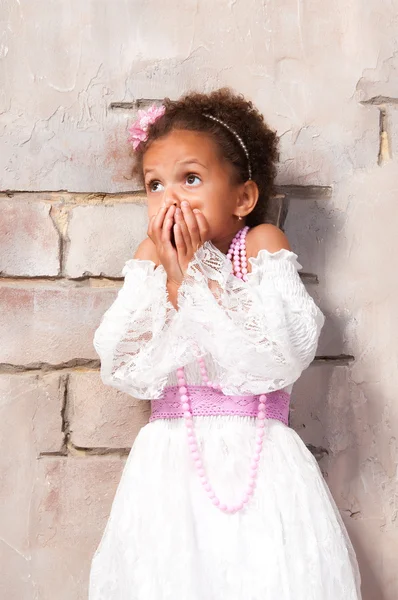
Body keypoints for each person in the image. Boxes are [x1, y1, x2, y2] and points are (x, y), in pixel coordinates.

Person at [88, 88, 362, 599]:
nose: (170, 198)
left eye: (190, 179)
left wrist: (197, 271)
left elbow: (277, 356)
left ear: (243, 198)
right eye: (154, 184)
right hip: (170, 464)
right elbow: (126, 365)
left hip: (259, 461)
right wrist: (171, 276)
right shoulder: (149, 255)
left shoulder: (259, 246)